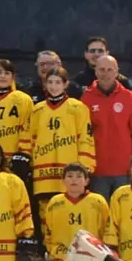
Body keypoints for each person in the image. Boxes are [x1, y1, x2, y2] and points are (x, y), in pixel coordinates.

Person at [24, 68, 94, 209]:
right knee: (46, 212)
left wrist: (85, 166)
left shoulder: (78, 108)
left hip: (70, 172)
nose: (53, 86)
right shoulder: (37, 110)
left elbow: (86, 138)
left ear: (65, 84)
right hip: (44, 172)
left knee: (70, 209)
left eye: (57, 82)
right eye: (50, 82)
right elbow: (30, 139)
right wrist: (28, 163)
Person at [42, 164, 116, 261]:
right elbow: (48, 234)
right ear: (63, 181)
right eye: (69, 176)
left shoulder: (98, 201)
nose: (74, 180)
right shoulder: (54, 203)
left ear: (86, 181)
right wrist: (60, 253)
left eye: (79, 176)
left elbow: (107, 230)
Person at [81, 55, 132, 201]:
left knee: (122, 214)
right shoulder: (86, 99)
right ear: (96, 71)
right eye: (102, 69)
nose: (106, 73)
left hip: (123, 169)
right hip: (97, 170)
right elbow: (82, 134)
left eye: (110, 69)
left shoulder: (128, 97)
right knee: (99, 215)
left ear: (117, 72)